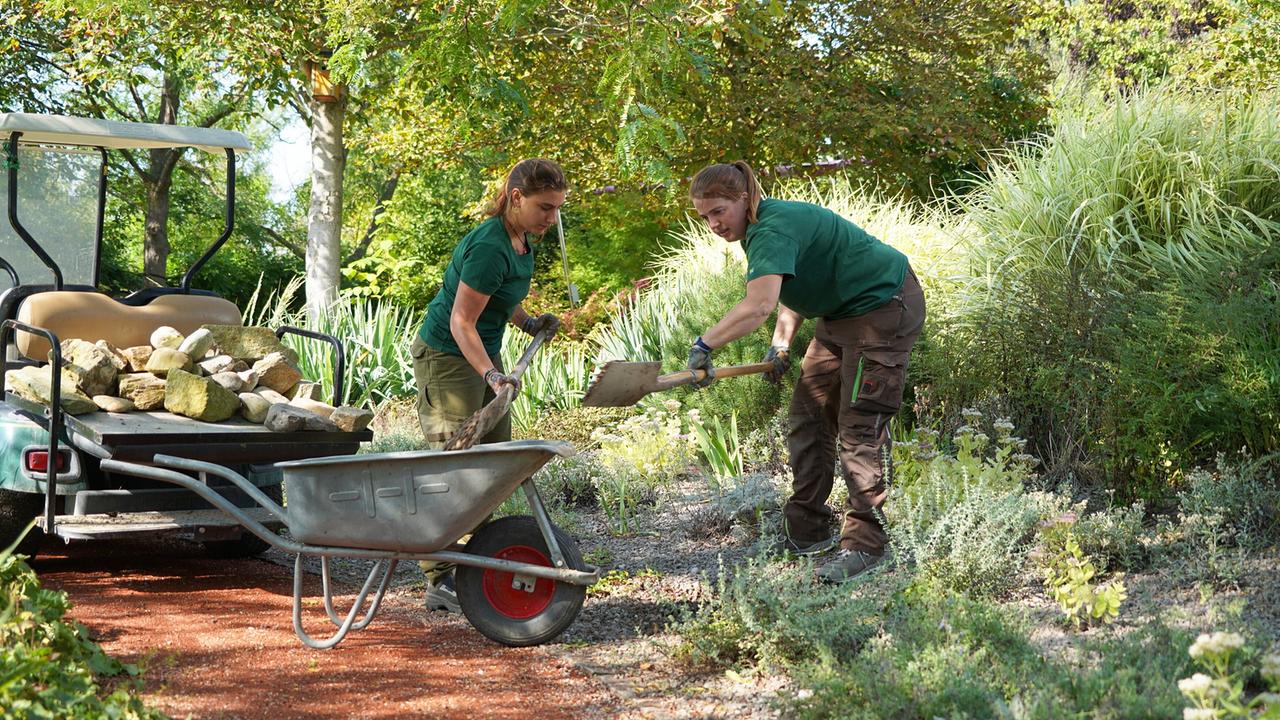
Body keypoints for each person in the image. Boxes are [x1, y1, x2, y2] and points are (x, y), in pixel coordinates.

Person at [686, 161, 925, 583]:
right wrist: (782, 343)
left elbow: (757, 305)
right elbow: (791, 291)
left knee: (859, 430)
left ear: (744, 198)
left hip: (884, 306)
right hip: (839, 315)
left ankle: (867, 546)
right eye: (704, 216)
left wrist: (704, 344)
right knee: (808, 415)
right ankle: (808, 530)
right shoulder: (762, 226)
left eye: (718, 210)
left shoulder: (772, 228)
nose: (713, 224)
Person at [412, 158, 566, 611]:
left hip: (483, 353)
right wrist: (493, 375)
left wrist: (527, 321)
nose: (551, 218)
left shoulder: (524, 241)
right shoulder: (488, 246)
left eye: (557, 208)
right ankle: (440, 580)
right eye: (544, 207)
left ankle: (475, 564)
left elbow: (502, 299)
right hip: (448, 357)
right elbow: (462, 322)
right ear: (516, 198)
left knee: (492, 466)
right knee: (455, 469)